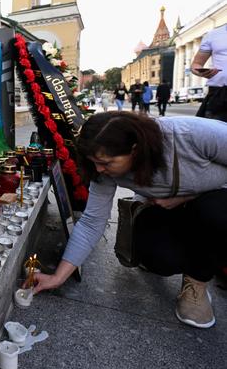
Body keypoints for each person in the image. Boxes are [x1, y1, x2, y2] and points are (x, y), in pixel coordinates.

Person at [32, 112, 227, 329]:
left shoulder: (190, 135)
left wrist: (186, 197)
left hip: (215, 201)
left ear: (135, 150)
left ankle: (197, 282)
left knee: (215, 212)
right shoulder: (102, 169)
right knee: (159, 259)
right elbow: (91, 222)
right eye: (93, 162)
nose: (99, 169)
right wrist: (58, 277)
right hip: (163, 209)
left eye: (105, 163)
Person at [192, 24, 227, 122]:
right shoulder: (213, 35)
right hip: (220, 96)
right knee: (213, 135)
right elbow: (196, 64)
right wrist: (201, 72)